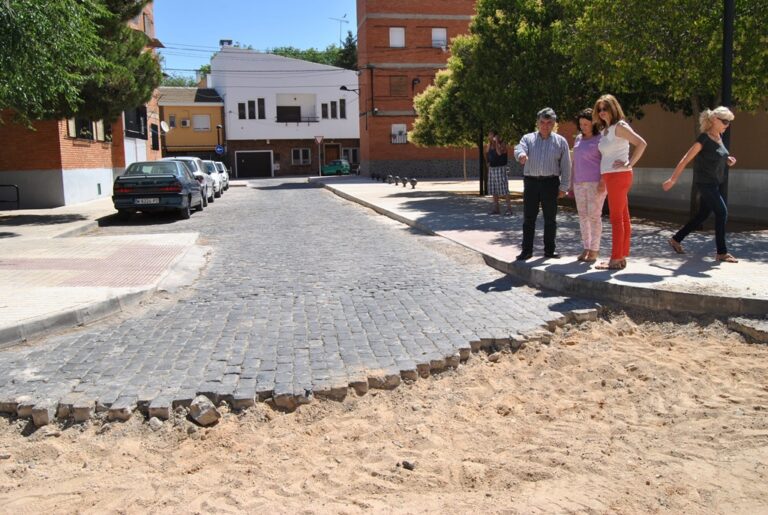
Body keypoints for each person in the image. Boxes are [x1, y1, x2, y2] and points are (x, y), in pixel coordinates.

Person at [662, 107, 738, 262]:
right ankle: (721, 252)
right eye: (724, 121)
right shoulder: (704, 138)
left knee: (703, 214)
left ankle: (676, 239)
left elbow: (716, 155)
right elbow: (685, 159)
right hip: (705, 183)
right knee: (722, 212)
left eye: (729, 122)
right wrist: (672, 179)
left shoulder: (719, 137)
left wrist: (727, 159)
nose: (727, 125)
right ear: (714, 120)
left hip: (714, 183)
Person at [593, 94, 647, 270]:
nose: (602, 112)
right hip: (611, 176)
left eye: (605, 109)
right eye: (599, 109)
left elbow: (641, 143)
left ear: (613, 108)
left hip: (619, 176)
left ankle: (615, 258)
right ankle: (621, 256)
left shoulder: (619, 126)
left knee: (617, 218)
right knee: (623, 217)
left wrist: (629, 163)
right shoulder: (606, 130)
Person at [513, 107, 571, 260]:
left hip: (550, 183)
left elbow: (566, 166)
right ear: (537, 123)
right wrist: (521, 155)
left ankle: (549, 251)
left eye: (549, 122)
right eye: (542, 122)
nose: (545, 125)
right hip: (531, 183)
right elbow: (519, 148)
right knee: (529, 218)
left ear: (554, 124)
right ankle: (526, 251)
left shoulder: (560, 142)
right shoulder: (528, 138)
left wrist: (564, 187)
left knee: (550, 219)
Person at [571, 108, 606, 263]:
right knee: (583, 216)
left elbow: (606, 161)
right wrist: (572, 182)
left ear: (594, 123)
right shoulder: (578, 139)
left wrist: (603, 182)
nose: (583, 127)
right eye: (581, 124)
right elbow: (575, 161)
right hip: (579, 182)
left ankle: (594, 249)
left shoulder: (601, 139)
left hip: (595, 183)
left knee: (594, 216)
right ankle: (586, 246)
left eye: (586, 124)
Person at [486, 130, 513, 215]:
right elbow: (486, 152)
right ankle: (496, 209)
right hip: (492, 169)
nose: (489, 136)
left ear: (495, 136)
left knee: (504, 189)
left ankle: (509, 209)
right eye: (489, 135)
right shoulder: (489, 145)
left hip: (500, 169)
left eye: (491, 135)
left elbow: (499, 153)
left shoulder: (502, 144)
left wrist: (497, 141)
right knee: (493, 189)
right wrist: (487, 161)